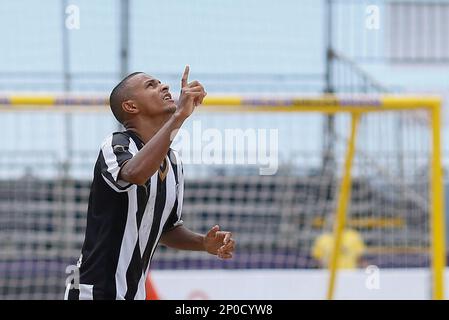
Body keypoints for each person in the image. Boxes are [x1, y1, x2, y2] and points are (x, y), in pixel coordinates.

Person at [64, 66, 235, 300]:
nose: (164, 86)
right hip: (93, 292)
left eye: (160, 83)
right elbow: (136, 173)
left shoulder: (173, 161)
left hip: (135, 294)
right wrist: (179, 117)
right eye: (151, 85)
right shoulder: (116, 145)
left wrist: (203, 244)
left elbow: (168, 229)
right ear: (131, 106)